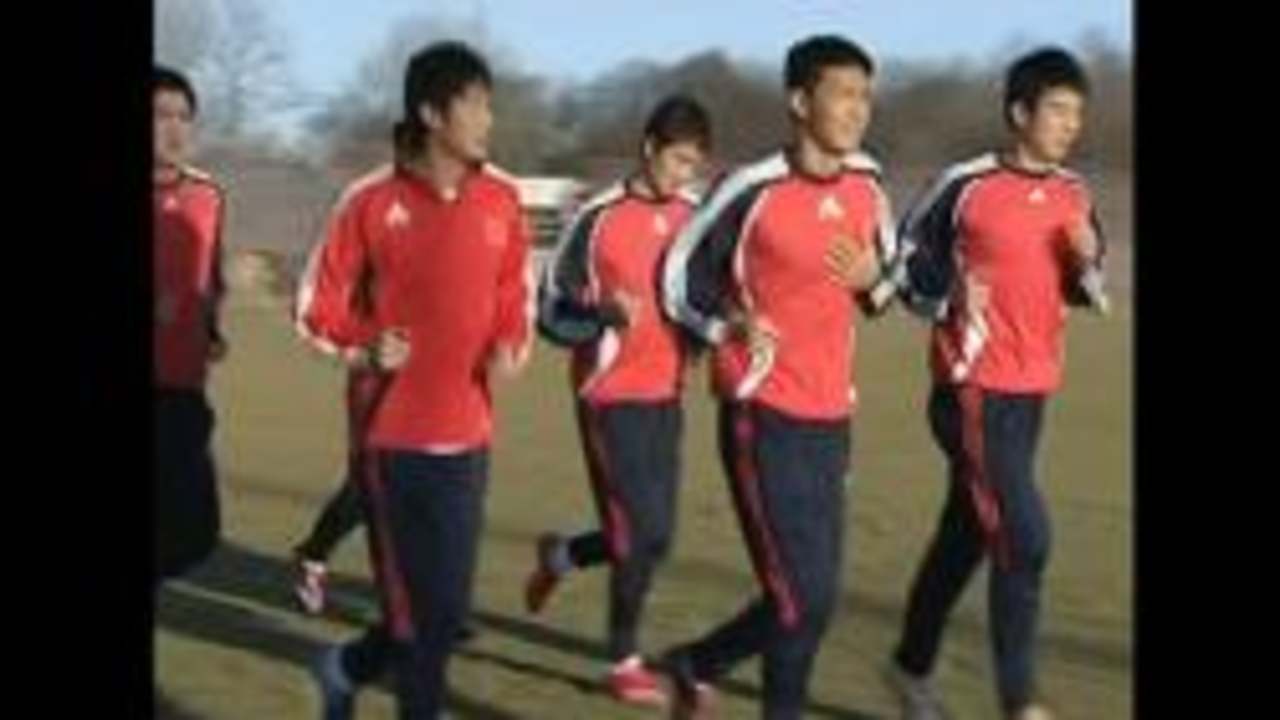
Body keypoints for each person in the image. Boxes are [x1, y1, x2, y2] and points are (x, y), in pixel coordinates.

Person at [657, 35, 898, 719]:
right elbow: (677, 277)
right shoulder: (751, 190)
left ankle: (697, 662)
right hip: (760, 412)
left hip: (832, 417)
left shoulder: (868, 183)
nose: (857, 109)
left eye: (864, 95)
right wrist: (726, 325)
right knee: (800, 599)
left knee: (811, 599)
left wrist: (873, 279)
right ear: (799, 101)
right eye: (843, 94)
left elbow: (887, 286)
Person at [295, 41, 533, 719]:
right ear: (431, 113)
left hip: (468, 439)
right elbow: (314, 307)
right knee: (415, 630)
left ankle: (343, 668)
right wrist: (365, 348)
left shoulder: (503, 199)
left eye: (489, 104)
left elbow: (516, 294)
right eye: (474, 105)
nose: (488, 119)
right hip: (389, 441)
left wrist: (510, 344)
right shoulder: (369, 200)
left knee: (444, 616)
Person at [882, 47, 1109, 720]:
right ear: (1019, 113)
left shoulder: (1074, 192)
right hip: (970, 388)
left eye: (1077, 113)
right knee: (1024, 535)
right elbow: (904, 263)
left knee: (968, 534)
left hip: (1032, 390)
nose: (1069, 125)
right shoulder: (966, 185)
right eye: (1057, 110)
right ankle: (1021, 702)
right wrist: (950, 293)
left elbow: (1086, 284)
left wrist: (1088, 262)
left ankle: (909, 667)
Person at [524, 95, 711, 706]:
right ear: (649, 148)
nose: (684, 174)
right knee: (637, 532)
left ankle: (561, 556)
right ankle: (622, 661)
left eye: (694, 164)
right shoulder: (597, 217)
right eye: (678, 160)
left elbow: (707, 296)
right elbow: (549, 310)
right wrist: (602, 313)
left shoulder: (695, 216)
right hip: (608, 396)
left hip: (668, 393)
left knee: (655, 538)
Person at [154, 65, 229, 584]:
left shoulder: (208, 196)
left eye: (184, 117)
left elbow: (211, 275)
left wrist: (211, 329)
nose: (175, 129)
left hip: (184, 387)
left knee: (196, 534)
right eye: (161, 115)